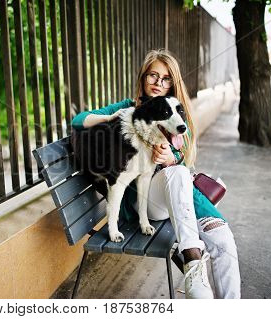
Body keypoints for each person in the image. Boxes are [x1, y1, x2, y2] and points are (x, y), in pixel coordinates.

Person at [70, 49, 241, 299]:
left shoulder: (175, 111)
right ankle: (193, 261)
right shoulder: (129, 107)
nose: (158, 83)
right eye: (153, 76)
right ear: (143, 78)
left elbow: (186, 147)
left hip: (183, 198)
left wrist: (173, 157)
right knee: (177, 174)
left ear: (173, 83)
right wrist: (110, 116)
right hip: (148, 201)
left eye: (166, 78)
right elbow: (79, 119)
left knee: (224, 241)